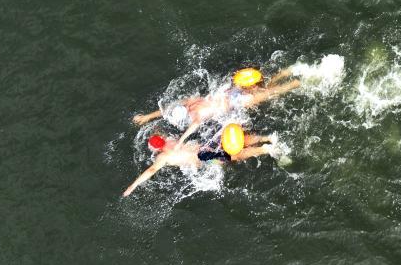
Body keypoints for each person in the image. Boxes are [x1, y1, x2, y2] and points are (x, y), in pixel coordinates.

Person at [131, 67, 302, 139]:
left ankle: (295, 83)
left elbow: (191, 128)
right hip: (227, 92)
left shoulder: (196, 116)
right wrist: (147, 117)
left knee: (269, 94)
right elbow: (166, 111)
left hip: (236, 101)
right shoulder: (189, 102)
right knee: (262, 90)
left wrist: (180, 142)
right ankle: (283, 73)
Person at [121, 127, 274, 197]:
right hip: (206, 146)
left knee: (236, 155)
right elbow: (160, 134)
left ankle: (264, 150)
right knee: (235, 142)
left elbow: (151, 170)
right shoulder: (172, 141)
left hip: (206, 158)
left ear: (156, 149)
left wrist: (132, 186)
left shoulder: (163, 157)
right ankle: (266, 138)